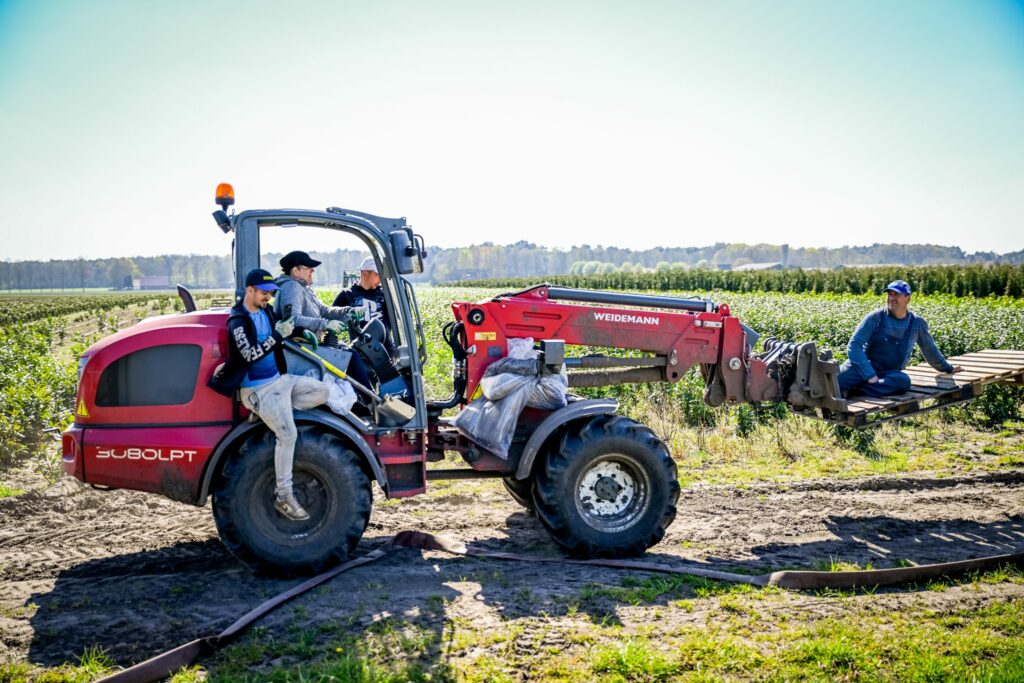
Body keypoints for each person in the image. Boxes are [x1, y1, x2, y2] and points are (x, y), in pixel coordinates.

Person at [208, 268, 330, 521]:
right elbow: (250, 355)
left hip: (279, 381)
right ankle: (284, 495)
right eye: (264, 293)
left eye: (271, 293)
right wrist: (277, 335)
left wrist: (301, 332)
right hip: (258, 387)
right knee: (288, 434)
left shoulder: (265, 311)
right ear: (249, 290)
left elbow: (283, 329)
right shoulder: (238, 322)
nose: (268, 297)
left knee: (323, 391)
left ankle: (271, 413)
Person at [837, 280, 962, 398]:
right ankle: (864, 387)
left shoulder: (916, 323)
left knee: (902, 382)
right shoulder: (875, 317)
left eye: (896, 294)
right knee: (835, 382)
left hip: (888, 373)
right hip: (864, 367)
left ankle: (855, 390)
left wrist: (948, 368)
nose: (891, 298)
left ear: (908, 298)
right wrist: (870, 375)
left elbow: (930, 350)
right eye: (889, 294)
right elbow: (854, 345)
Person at [273, 250, 373, 388]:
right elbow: (292, 319)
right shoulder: (291, 287)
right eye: (309, 268)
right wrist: (325, 324)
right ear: (296, 271)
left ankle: (366, 400)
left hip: (311, 346)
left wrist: (348, 310)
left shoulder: (304, 288)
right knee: (351, 357)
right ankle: (370, 403)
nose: (313, 270)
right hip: (303, 349)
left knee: (350, 354)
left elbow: (324, 310)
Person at [333, 256, 389, 333]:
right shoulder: (347, 294)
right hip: (361, 344)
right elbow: (332, 318)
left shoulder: (385, 294)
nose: (381, 279)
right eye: (377, 274)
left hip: (385, 344)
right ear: (365, 273)